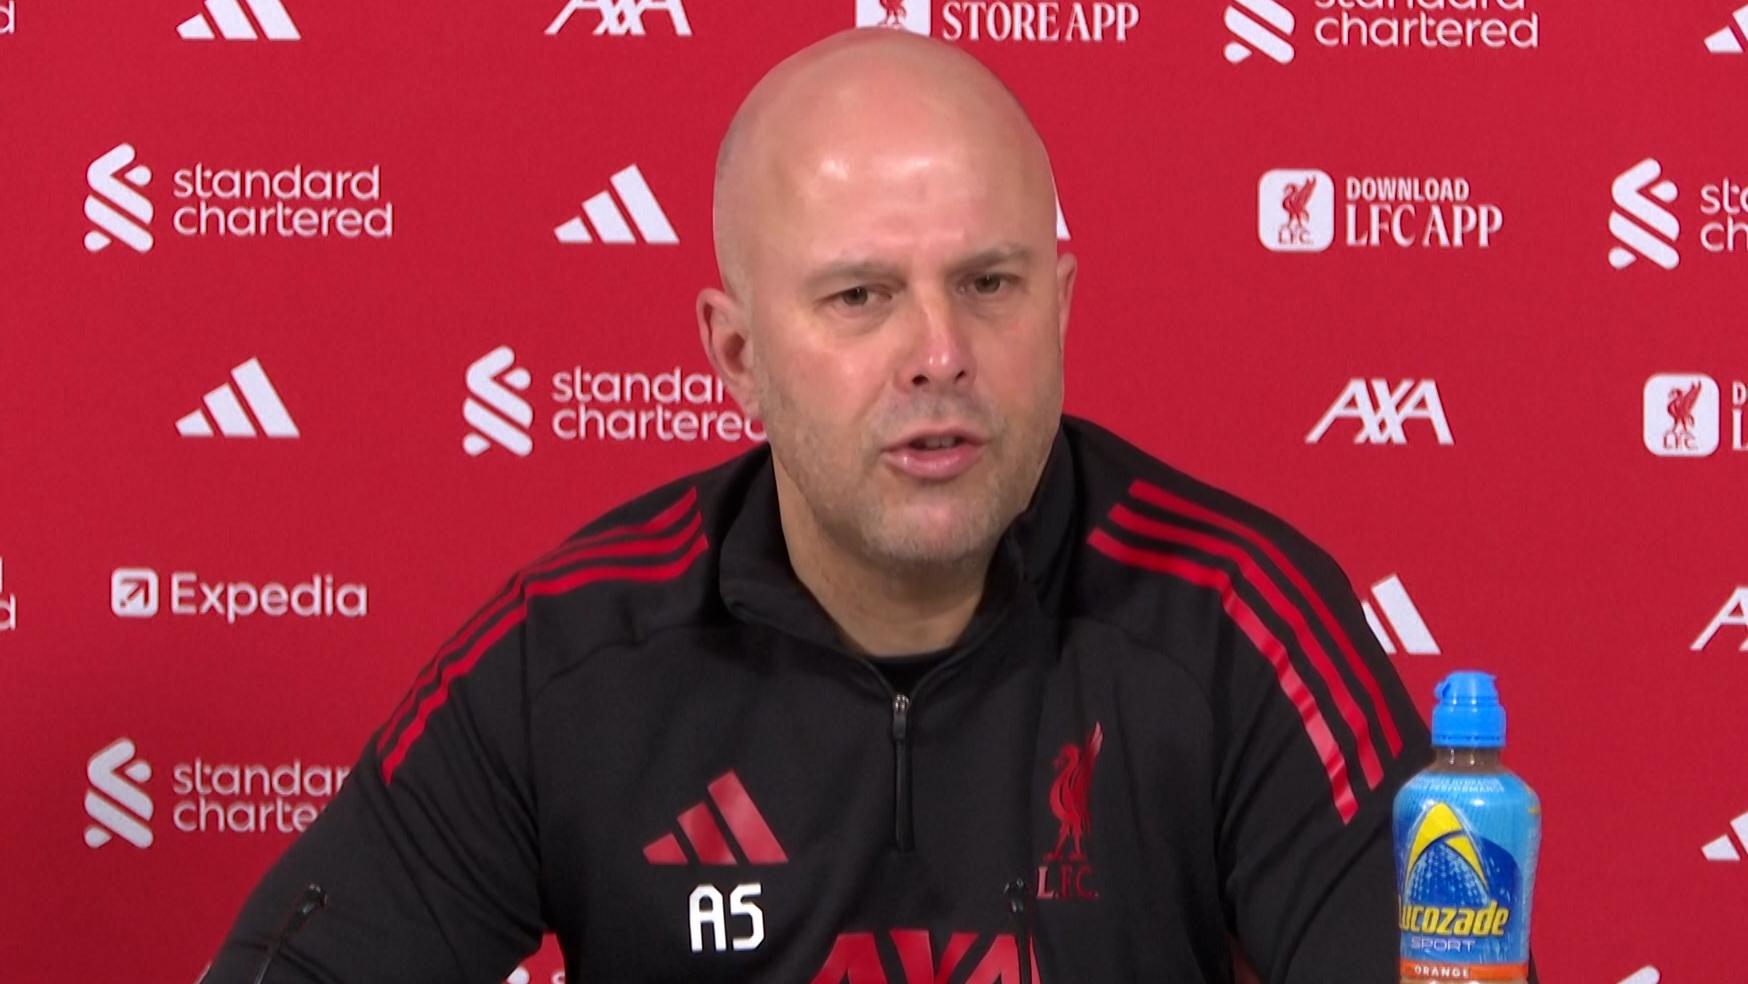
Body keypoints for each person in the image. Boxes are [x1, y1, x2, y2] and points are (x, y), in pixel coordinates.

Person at [203, 26, 1461, 983]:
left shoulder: (1239, 622)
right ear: (737, 354)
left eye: (989, 283)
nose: (938, 354)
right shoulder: (570, 655)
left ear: (1063, 306)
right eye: (859, 297)